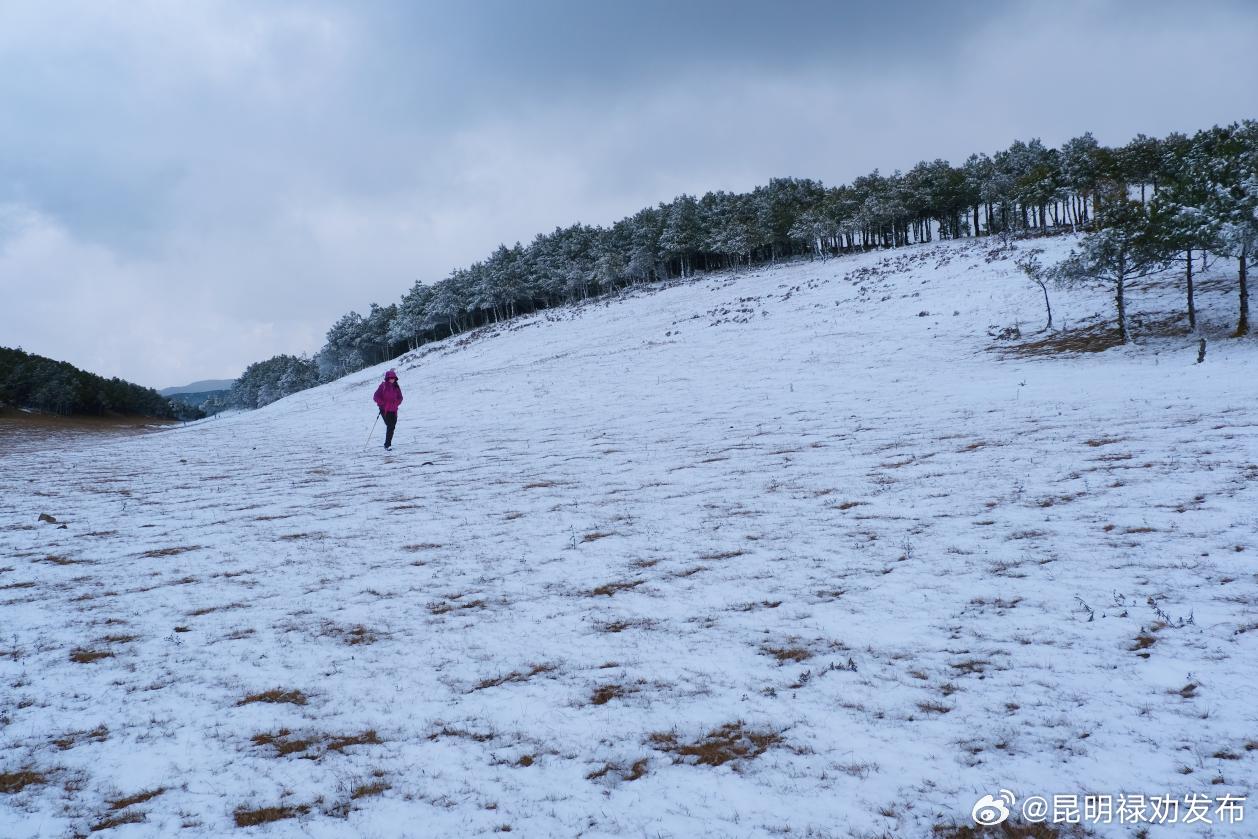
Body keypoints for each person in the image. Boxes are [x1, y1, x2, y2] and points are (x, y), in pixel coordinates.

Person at [372, 369, 403, 450]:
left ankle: (387, 444)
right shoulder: (383, 386)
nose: (392, 379)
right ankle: (387, 445)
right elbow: (376, 396)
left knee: (392, 427)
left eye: (393, 378)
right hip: (384, 410)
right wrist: (382, 403)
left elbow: (400, 397)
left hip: (394, 410)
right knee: (390, 426)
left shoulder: (396, 386)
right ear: (387, 378)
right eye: (390, 378)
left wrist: (397, 403)